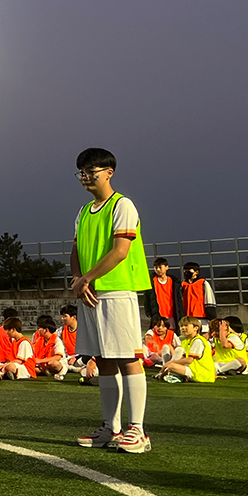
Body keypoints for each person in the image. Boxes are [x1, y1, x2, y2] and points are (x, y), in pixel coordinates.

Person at [69, 147, 153, 454]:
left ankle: (138, 430)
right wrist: (79, 281)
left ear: (109, 172)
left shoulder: (122, 205)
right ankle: (111, 427)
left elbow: (120, 250)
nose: (87, 177)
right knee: (103, 360)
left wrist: (86, 278)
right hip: (90, 293)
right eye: (82, 172)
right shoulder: (83, 212)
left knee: (129, 358)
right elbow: (75, 251)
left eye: (93, 171)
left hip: (117, 292)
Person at [156, 317, 214, 383]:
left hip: (200, 373)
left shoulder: (198, 341)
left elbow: (189, 360)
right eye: (181, 326)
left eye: (186, 325)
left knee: (172, 366)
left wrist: (170, 363)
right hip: (193, 369)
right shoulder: (186, 341)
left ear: (196, 328)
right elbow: (183, 357)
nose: (183, 328)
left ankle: (172, 374)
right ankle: (170, 373)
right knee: (175, 350)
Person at [144, 258, 182, 331]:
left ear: (166, 267)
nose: (158, 269)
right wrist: (148, 312)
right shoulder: (151, 281)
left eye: (160, 267)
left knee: (172, 336)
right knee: (158, 335)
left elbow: (178, 299)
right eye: (156, 267)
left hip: (171, 315)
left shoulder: (174, 281)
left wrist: (180, 313)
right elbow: (147, 297)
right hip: (158, 315)